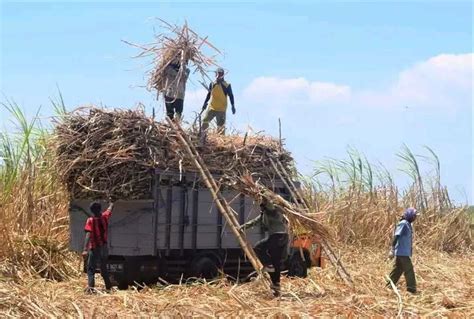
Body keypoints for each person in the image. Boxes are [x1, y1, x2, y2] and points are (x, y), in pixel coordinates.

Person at [240, 197, 289, 297]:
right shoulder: (264, 214)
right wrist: (243, 227)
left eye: (262, 206)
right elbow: (255, 221)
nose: (261, 209)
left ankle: (268, 265)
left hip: (279, 236)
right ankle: (276, 287)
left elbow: (269, 203)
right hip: (278, 237)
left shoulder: (272, 210)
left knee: (258, 247)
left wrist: (263, 196)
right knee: (276, 264)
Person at [82, 200, 115, 293]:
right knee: (103, 268)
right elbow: (110, 209)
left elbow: (88, 235)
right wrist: (111, 202)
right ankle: (108, 287)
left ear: (92, 211)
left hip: (95, 248)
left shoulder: (90, 221)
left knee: (91, 268)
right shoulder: (105, 217)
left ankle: (91, 288)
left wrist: (85, 249)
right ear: (100, 209)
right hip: (104, 247)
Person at [387, 207, 418, 294]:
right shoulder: (403, 224)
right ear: (409, 215)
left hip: (404, 252)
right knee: (409, 270)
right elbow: (396, 236)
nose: (415, 218)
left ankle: (389, 285)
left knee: (397, 270)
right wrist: (392, 249)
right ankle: (411, 289)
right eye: (414, 216)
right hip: (402, 252)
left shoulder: (408, 224)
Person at [201, 68, 235, 134]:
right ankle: (203, 136)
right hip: (212, 107)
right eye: (218, 73)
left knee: (220, 128)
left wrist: (233, 105)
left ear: (223, 75)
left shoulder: (227, 85)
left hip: (221, 109)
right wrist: (205, 103)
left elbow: (231, 95)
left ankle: (221, 141)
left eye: (221, 74)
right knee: (205, 121)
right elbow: (209, 94)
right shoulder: (212, 84)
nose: (219, 75)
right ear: (216, 74)